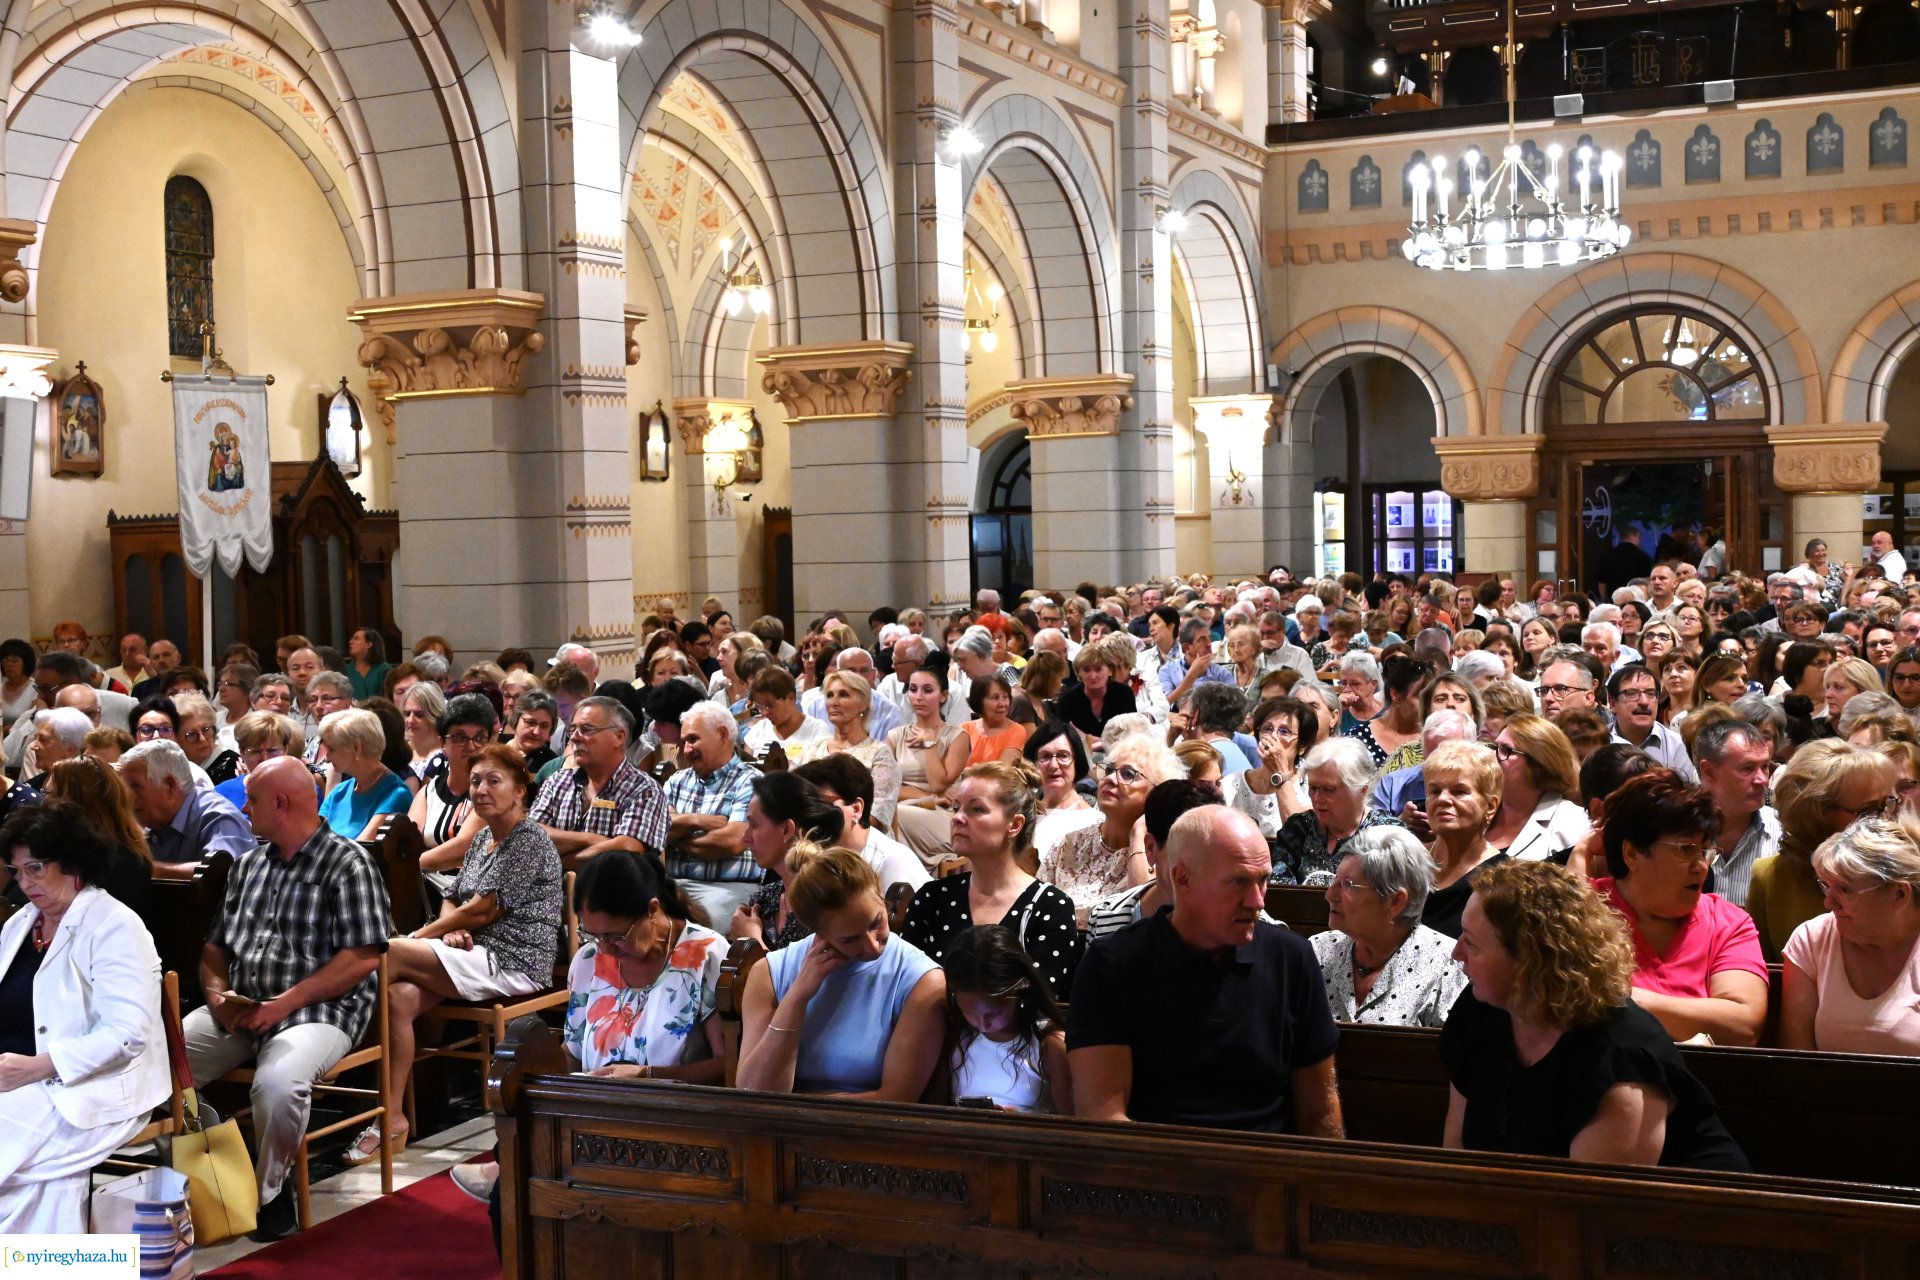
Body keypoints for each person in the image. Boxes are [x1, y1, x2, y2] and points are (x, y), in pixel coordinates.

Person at [183, 757, 392, 1240]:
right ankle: (224, 1167)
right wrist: (217, 999)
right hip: (242, 1007)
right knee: (162, 1065)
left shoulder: (348, 862)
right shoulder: (249, 865)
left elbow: (362, 958)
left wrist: (282, 1005)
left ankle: (271, 1194)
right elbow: (214, 948)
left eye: (251, 799)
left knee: (278, 1085)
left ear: (280, 803)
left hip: (318, 1010)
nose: (243, 806)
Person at [1442, 860, 1749, 1171]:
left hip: (1693, 1213)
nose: (1457, 954)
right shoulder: (1481, 1008)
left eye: (1472, 943)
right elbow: (1458, 1154)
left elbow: (1593, 1211)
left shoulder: (1620, 1058)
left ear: (1530, 960)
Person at [344, 745, 563, 1164]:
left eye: (493, 781)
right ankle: (391, 1119)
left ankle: (336, 1039)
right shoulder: (483, 837)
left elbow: (484, 909)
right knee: (396, 998)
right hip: (471, 952)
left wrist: (425, 934)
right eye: (476, 780)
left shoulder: (530, 839)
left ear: (519, 792)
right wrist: (451, 927)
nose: (481, 789)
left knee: (388, 952)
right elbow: (457, 897)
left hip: (514, 960)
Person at [1069, 805, 1342, 1134]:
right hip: (1154, 1169)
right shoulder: (1111, 966)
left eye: (1263, 880)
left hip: (1266, 1172)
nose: (1257, 901)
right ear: (1183, 879)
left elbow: (1320, 1111)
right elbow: (1103, 1121)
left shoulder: (1291, 958)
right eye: (1238, 882)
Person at [0, 801, 169, 1234]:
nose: (25, 883)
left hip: (95, 1086)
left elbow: (127, 1035)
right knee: (36, 1183)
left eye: (36, 867)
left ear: (72, 861)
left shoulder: (115, 925)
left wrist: (38, 1067)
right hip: (19, 1077)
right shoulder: (20, 924)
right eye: (17, 871)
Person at [737, 847, 947, 1098]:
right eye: (850, 939)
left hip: (866, 1133)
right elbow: (754, 1093)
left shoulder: (923, 980)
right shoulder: (769, 974)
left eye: (876, 923)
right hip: (779, 1132)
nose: (872, 945)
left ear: (881, 896)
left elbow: (897, 1099)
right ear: (817, 931)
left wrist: (798, 1105)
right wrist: (797, 997)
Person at [1591, 771, 1768, 1045]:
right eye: (1686, 849)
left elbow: (1743, 1025)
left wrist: (1620, 1000)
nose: (1701, 865)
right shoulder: (1584, 910)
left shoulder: (1729, 921)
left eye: (1705, 850)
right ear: (1632, 853)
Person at [899, 762, 1081, 996]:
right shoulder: (933, 896)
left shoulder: (1050, 906)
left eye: (976, 810)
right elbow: (904, 987)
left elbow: (1042, 1001)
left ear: (1014, 825)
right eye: (956, 808)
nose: (958, 818)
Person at [562, 849, 727, 1080]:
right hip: (598, 1107)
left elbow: (729, 1064)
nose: (604, 949)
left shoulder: (707, 955)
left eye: (615, 936)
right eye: (592, 935)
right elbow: (572, 1054)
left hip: (675, 1110)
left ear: (651, 910)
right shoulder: (588, 959)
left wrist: (647, 1075)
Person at [1780, 813, 1920, 1054]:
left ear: (1899, 894)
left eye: (1844, 889)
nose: (1828, 902)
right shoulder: (1812, 939)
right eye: (1826, 885)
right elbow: (1797, 1060)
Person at [1750, 740, 1898, 961]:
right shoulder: (1770, 877)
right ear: (1817, 814)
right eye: (1867, 811)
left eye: (1886, 804)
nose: (1884, 819)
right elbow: (1763, 972)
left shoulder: (1904, 871)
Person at [1312, 825, 1467, 1026]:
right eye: (1335, 880)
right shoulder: (1318, 952)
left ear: (1395, 902)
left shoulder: (1447, 965)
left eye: (1348, 885)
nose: (1330, 895)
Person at [1042, 732, 1185, 922]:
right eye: (1108, 770)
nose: (1110, 779)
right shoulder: (1069, 843)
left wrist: (1138, 834)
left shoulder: (1161, 853)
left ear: (1156, 791)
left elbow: (1146, 919)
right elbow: (1036, 907)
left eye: (1128, 774)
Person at [529, 695, 670, 872]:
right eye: (572, 729)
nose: (574, 738)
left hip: (612, 893)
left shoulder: (644, 789)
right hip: (552, 894)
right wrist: (589, 839)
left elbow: (626, 852)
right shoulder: (557, 781)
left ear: (618, 737)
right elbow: (530, 838)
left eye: (586, 729)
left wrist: (555, 861)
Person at [940, 924, 1071, 1114]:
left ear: (1019, 990)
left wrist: (1021, 1124)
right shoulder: (955, 1038)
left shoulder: (1049, 1045)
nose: (983, 1025)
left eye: (994, 1013)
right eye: (969, 1012)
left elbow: (1072, 1126)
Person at [660, 701, 761, 925]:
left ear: (723, 735)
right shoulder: (677, 781)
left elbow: (732, 841)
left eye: (693, 739)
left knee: (697, 933)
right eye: (684, 741)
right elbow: (656, 830)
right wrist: (696, 820)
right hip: (672, 884)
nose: (686, 750)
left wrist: (677, 834)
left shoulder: (750, 781)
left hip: (727, 888)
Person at [731, 774, 845, 952]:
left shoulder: (826, 904)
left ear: (786, 829)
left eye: (754, 825)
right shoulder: (764, 899)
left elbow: (796, 979)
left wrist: (752, 941)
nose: (745, 837)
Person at [1271, 737, 1402, 886]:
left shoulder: (1387, 834)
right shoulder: (1298, 829)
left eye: (1329, 790)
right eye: (1313, 788)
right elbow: (1279, 892)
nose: (1318, 798)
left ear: (1361, 791)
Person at [118, 738, 255, 877]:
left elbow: (220, 873)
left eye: (134, 786)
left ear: (170, 785)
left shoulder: (218, 816)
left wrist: (148, 870)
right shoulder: (151, 821)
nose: (127, 796)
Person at [791, 754, 928, 890]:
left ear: (856, 808)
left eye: (822, 803)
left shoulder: (893, 864)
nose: (812, 813)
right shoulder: (815, 859)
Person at [410, 692, 497, 897]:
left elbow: (463, 846)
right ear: (442, 743)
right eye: (460, 737)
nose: (471, 746)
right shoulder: (429, 791)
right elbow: (409, 839)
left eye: (479, 737)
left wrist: (407, 868)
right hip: (425, 884)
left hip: (471, 891)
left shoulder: (491, 790)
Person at [1420, 739, 1508, 937]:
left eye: (1459, 791)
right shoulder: (1407, 863)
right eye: (1434, 791)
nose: (1442, 799)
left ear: (1491, 806)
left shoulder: (1503, 880)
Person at [1692, 719, 1778, 908]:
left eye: (1765, 766)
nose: (1762, 779)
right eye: (1747, 768)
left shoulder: (1784, 834)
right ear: (1708, 771)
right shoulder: (1672, 832)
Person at [1485, 714, 1592, 865]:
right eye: (1494, 747)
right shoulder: (1480, 808)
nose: (1492, 756)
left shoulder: (1573, 823)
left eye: (1506, 749)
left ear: (1539, 764)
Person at [818, 671, 901, 832]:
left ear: (863, 704)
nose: (834, 702)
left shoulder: (880, 754)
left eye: (843, 695)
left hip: (862, 842)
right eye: (829, 695)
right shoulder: (812, 750)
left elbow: (876, 817)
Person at [316, 708, 412, 840]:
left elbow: (359, 852)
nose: (326, 758)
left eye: (331, 749)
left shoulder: (396, 794)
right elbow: (314, 841)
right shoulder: (338, 792)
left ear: (357, 748)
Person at [1607, 663, 1695, 781]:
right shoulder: (1599, 740)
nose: (1644, 702)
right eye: (1632, 693)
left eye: (1650, 694)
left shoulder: (1677, 745)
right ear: (1612, 703)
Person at [1344, 654, 1429, 772]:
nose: (1429, 704)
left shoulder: (1436, 739)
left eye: (1434, 697)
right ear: (1395, 694)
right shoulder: (1358, 738)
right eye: (1419, 696)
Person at [742, 667, 832, 763]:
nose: (764, 712)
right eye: (760, 706)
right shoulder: (758, 731)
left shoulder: (817, 731)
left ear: (791, 698)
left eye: (769, 705)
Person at [1055, 643, 1137, 741]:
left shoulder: (1124, 694)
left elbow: (1132, 734)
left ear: (1110, 671)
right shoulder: (1068, 699)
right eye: (1086, 670)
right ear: (1079, 673)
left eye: (1098, 669)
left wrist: (1093, 741)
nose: (1093, 676)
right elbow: (1062, 736)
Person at [962, 671, 1030, 766]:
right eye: (995, 698)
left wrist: (970, 771)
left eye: (1005, 697)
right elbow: (953, 770)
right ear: (979, 701)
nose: (1002, 704)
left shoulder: (1016, 731)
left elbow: (1002, 772)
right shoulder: (965, 729)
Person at [400, 680, 448, 783]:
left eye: (419, 714)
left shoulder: (446, 755)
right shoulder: (399, 751)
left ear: (434, 715)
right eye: (407, 713)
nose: (410, 720)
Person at [346, 628, 392, 703]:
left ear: (368, 644)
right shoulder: (345, 670)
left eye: (356, 639)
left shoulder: (384, 669)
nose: (350, 642)